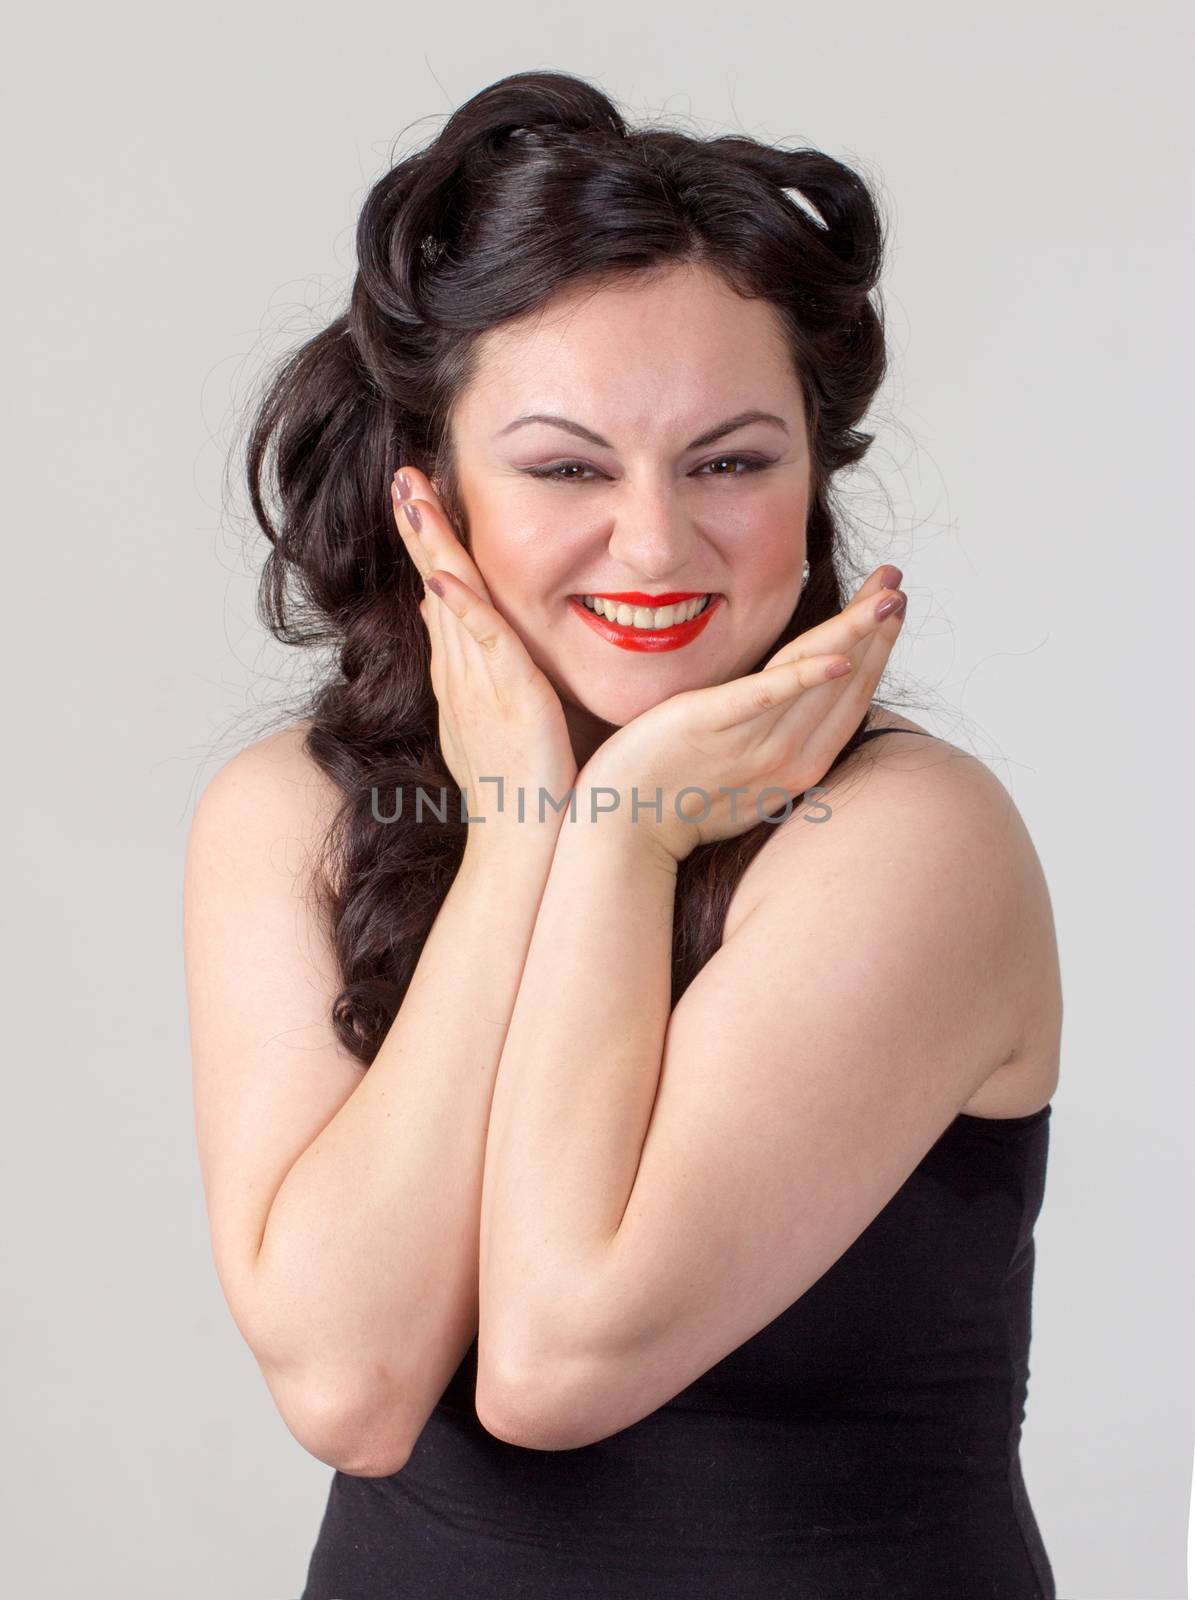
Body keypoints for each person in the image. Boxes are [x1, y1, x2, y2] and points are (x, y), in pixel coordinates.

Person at [183, 69, 1062, 1600]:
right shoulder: (293, 817)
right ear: (432, 486)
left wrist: (616, 832)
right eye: (565, 467)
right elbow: (346, 1384)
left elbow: (557, 1352)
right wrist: (526, 843)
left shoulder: (917, 841)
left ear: (815, 470)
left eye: (732, 461)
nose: (655, 542)